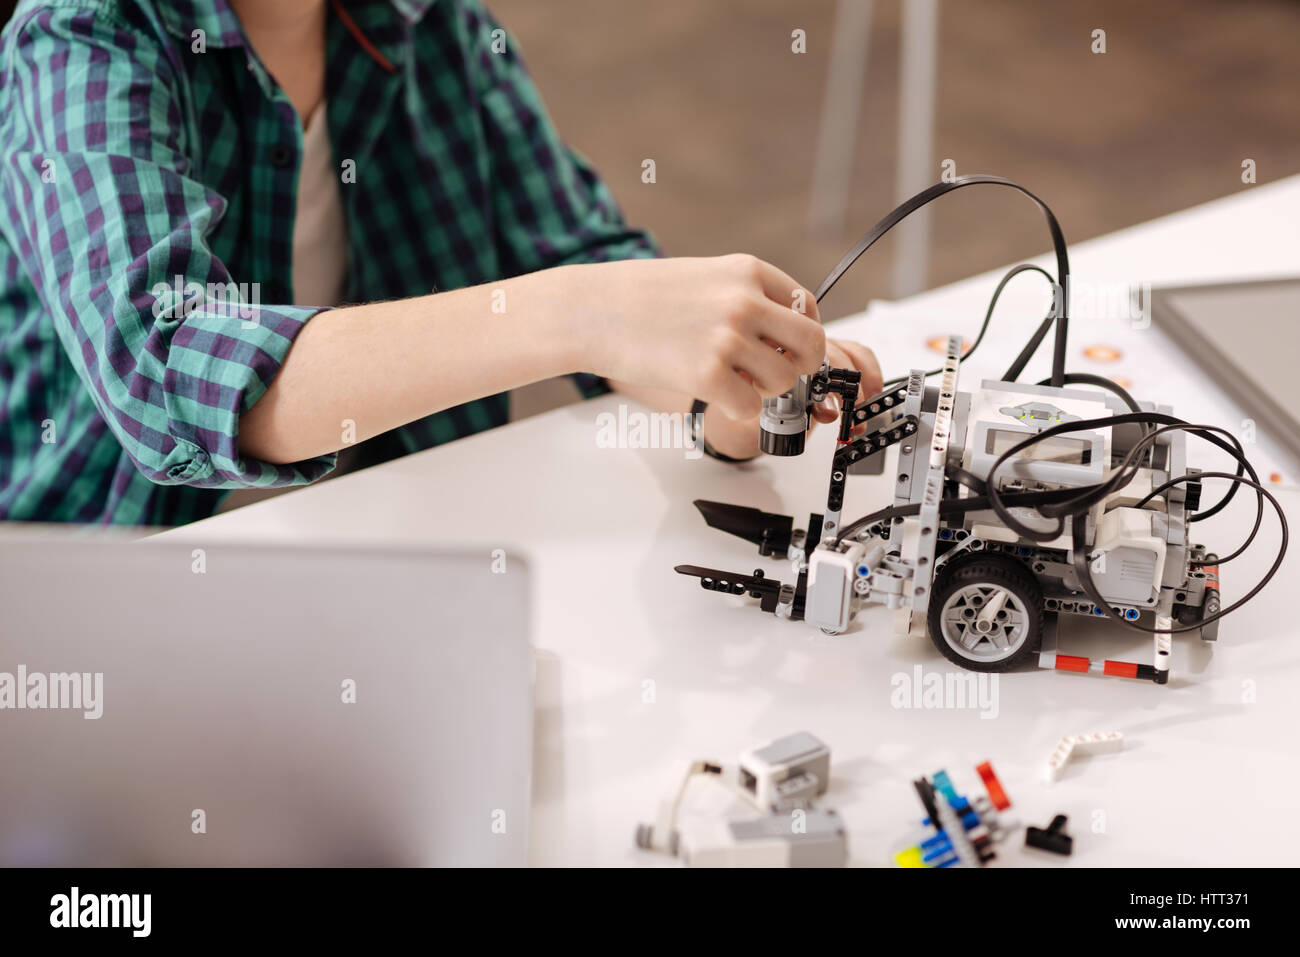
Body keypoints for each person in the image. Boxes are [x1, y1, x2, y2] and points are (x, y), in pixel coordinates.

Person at [0, 0, 881, 525]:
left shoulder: (431, 20)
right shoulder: (81, 36)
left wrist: (725, 388)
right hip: (116, 593)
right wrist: (578, 315)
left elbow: (579, 247)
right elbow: (170, 368)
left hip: (398, 555)